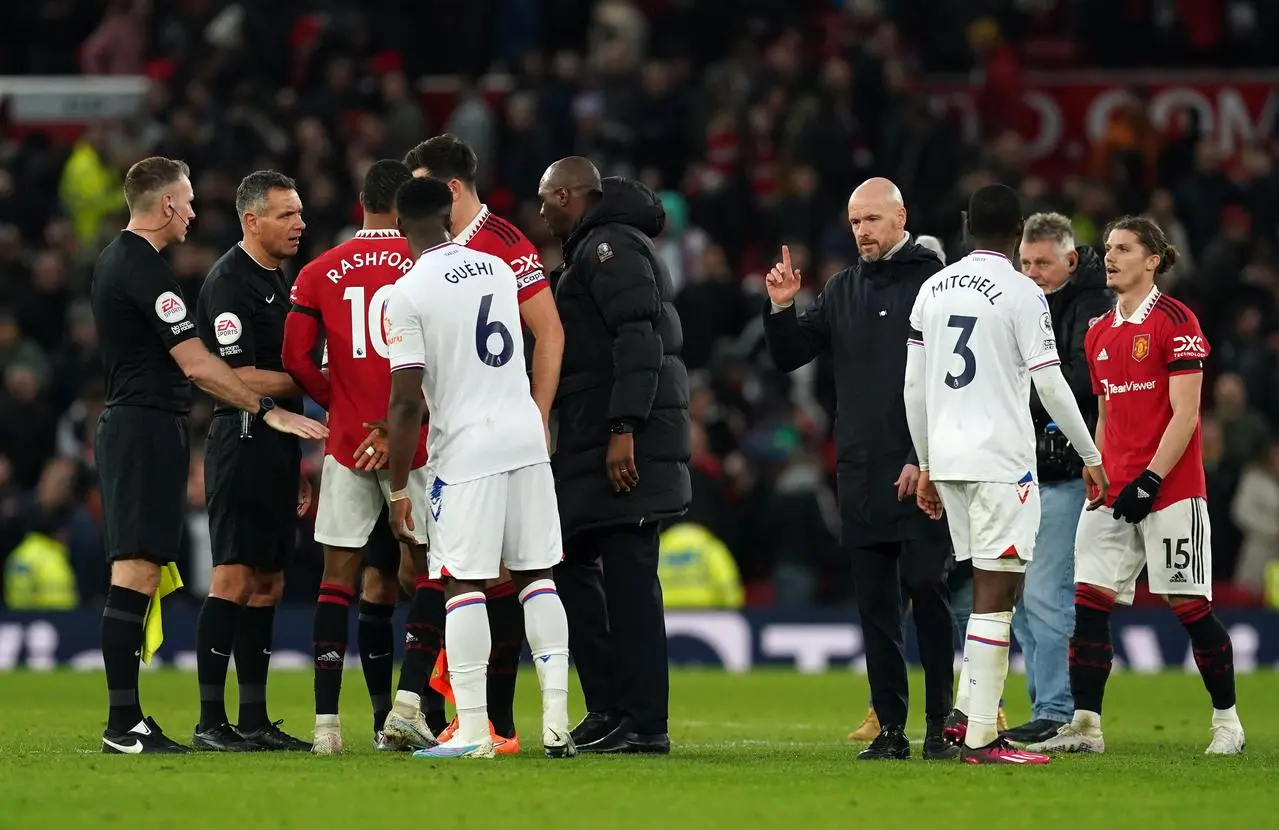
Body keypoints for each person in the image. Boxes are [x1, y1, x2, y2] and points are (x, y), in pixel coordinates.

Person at [91, 157, 325, 755]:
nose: (195, 211)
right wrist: (267, 409)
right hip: (143, 425)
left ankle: (138, 720)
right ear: (166, 204)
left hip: (150, 426)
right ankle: (124, 723)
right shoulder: (145, 268)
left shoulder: (131, 263)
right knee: (137, 571)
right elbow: (198, 365)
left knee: (146, 569)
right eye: (188, 201)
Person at [902, 183, 1108, 764]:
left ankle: (962, 717)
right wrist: (1090, 454)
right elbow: (1049, 380)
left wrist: (924, 464)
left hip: (948, 459)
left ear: (968, 227)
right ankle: (983, 739)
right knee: (999, 593)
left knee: (981, 588)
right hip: (1000, 462)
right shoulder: (1021, 292)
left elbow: (914, 386)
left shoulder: (932, 289)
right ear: (1017, 230)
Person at [1027, 216, 1246, 756]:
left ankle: (1227, 723)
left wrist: (1150, 479)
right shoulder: (1100, 330)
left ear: (1152, 259)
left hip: (1170, 490)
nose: (1111, 257)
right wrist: (1094, 464)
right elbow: (1106, 413)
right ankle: (1086, 727)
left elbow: (1187, 414)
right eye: (1107, 249)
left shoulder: (1177, 321)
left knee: (1189, 606)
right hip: (1112, 490)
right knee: (1090, 603)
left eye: (1123, 248)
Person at [764, 178, 957, 761]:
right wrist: (781, 307)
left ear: (901, 216)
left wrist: (921, 459)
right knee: (875, 603)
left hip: (920, 471)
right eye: (855, 222)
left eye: (872, 220)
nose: (863, 231)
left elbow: (949, 381)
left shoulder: (933, 283)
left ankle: (940, 725)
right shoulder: (843, 288)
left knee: (928, 589)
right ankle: (892, 731)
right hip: (860, 469)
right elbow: (790, 353)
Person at [382, 176, 574, 759]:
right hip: (524, 434)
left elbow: (408, 400)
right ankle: (558, 723)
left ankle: (471, 731)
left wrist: (396, 488)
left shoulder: (406, 294)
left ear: (398, 228)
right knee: (536, 575)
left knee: (463, 582)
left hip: (467, 448)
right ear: (449, 214)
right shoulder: (493, 265)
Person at [281, 159, 438, 754]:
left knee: (336, 580)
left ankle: (325, 728)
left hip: (346, 442)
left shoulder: (321, 270)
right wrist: (403, 419)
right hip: (415, 442)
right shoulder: (429, 267)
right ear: (406, 206)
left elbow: (297, 358)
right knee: (429, 572)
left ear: (361, 202)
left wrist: (340, 401)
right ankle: (407, 706)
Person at [537, 156, 690, 754]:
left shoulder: (609, 248)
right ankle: (609, 706)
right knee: (570, 562)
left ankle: (644, 722)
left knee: (628, 579)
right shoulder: (594, 248)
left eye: (547, 198)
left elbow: (640, 336)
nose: (542, 210)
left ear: (571, 195)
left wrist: (624, 427)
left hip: (624, 442)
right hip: (591, 438)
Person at [190, 170, 316, 752]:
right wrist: (311, 379)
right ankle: (211, 722)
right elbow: (234, 376)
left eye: (299, 213)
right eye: (287, 215)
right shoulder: (229, 282)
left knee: (268, 582)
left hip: (275, 444)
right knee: (234, 577)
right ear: (251, 220)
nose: (299, 224)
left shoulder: (278, 278)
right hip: (240, 441)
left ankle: (254, 720)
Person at [999, 212, 1114, 746]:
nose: (1032, 271)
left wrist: (1018, 380)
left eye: (1043, 262)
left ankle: (1058, 708)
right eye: (1025, 261)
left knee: (1046, 593)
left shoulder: (1091, 308)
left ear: (1070, 260)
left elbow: (1079, 379)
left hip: (1067, 471)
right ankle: (1050, 704)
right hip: (1025, 469)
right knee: (1023, 600)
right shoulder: (1025, 302)